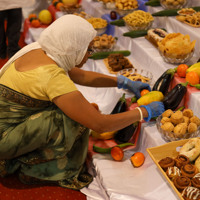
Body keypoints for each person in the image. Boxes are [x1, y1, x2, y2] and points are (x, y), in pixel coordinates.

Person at [0, 15, 165, 190]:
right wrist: (143, 112)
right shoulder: (51, 76)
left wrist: (121, 81)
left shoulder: (41, 49)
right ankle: (35, 168)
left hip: (8, 125)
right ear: (72, 48)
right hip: (5, 140)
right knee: (75, 117)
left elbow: (80, 74)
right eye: (88, 50)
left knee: (78, 107)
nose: (89, 55)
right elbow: (99, 124)